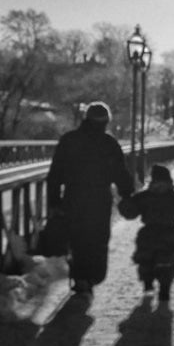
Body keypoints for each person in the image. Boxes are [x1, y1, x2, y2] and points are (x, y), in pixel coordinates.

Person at [46, 101, 134, 298]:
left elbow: (55, 175)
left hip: (73, 197)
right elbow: (120, 172)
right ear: (106, 121)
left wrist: (54, 202)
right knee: (98, 238)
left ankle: (80, 278)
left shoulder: (69, 140)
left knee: (77, 238)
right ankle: (92, 277)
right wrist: (127, 194)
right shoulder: (109, 144)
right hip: (99, 198)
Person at [118, 164, 174, 302]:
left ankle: (148, 285)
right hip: (169, 234)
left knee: (145, 260)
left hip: (147, 234)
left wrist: (124, 203)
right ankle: (164, 290)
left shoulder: (144, 197)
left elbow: (130, 212)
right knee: (167, 262)